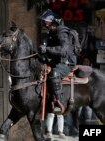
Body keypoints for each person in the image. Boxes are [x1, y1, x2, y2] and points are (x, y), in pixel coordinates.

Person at [38, 9, 77, 138]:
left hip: (66, 63)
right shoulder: (51, 33)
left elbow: (64, 51)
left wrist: (47, 49)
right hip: (56, 62)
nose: (43, 23)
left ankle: (58, 103)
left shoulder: (62, 32)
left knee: (54, 74)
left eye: (45, 21)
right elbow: (50, 52)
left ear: (51, 21)